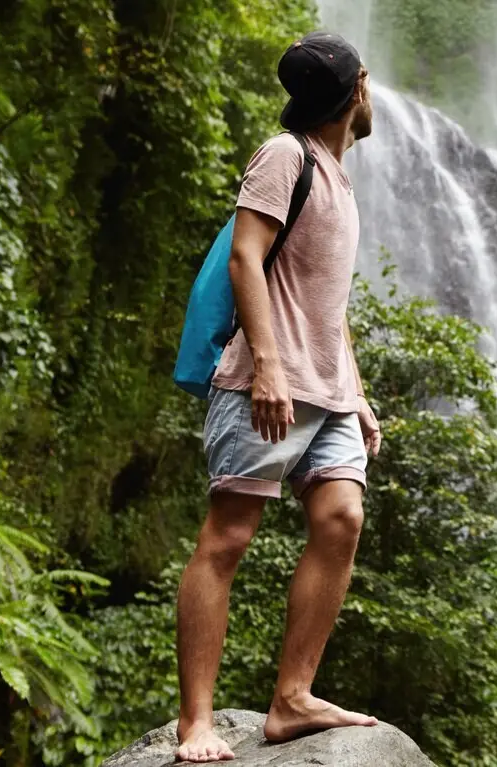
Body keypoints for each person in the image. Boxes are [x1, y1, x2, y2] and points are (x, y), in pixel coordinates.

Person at [174, 31, 381, 763]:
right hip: (269, 385)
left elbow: (329, 304)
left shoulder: (338, 176)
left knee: (342, 517)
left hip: (327, 393)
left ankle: (292, 699)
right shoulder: (284, 155)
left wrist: (355, 394)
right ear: (356, 89)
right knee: (227, 538)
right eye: (367, 82)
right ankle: (195, 722)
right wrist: (266, 364)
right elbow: (245, 257)